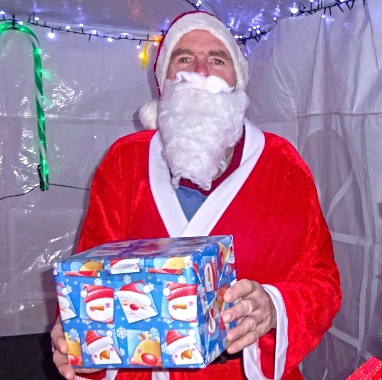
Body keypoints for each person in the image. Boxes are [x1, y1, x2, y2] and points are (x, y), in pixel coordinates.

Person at [50, 11, 341, 380]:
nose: (200, 70)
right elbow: (92, 270)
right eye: (184, 57)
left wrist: (274, 306)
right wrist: (72, 332)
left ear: (238, 81)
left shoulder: (281, 163)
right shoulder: (124, 160)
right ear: (164, 81)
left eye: (217, 60)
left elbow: (323, 282)